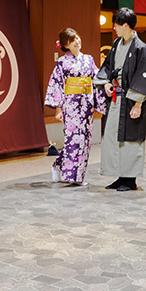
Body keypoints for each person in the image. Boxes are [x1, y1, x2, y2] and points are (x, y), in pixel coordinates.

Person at [94, 8, 146, 192]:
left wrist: (137, 103)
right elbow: (108, 67)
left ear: (126, 25)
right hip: (116, 99)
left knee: (130, 140)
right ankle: (120, 177)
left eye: (117, 25)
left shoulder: (140, 47)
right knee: (113, 138)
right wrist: (106, 84)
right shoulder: (116, 44)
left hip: (130, 100)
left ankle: (130, 180)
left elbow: (143, 75)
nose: (114, 28)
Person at [44, 28, 107, 185]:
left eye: (78, 38)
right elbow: (57, 84)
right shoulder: (62, 63)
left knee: (84, 140)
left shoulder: (89, 60)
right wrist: (58, 109)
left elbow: (97, 77)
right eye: (73, 40)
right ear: (66, 45)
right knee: (73, 140)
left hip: (86, 105)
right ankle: (75, 178)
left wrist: (105, 84)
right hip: (71, 106)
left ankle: (58, 165)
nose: (77, 42)